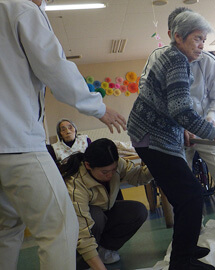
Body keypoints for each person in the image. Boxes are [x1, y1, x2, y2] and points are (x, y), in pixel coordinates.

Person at [0, 1, 126, 269]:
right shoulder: (21, 9)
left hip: (11, 143)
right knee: (60, 228)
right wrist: (98, 107)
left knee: (6, 229)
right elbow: (54, 67)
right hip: (17, 142)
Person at [128, 10, 215, 270]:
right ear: (178, 37)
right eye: (197, 38)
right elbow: (182, 110)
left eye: (204, 40)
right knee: (190, 195)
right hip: (151, 137)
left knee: (184, 195)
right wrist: (214, 132)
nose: (201, 45)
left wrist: (182, 126)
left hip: (149, 133)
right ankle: (181, 261)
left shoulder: (172, 57)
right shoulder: (176, 61)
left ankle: (185, 248)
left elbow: (165, 103)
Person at [61, 138, 152, 270]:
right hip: (79, 228)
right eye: (104, 172)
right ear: (88, 166)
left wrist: (158, 166)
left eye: (113, 170)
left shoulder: (117, 164)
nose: (110, 175)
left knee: (138, 211)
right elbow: (83, 232)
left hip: (104, 213)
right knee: (96, 216)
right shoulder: (75, 184)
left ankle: (105, 250)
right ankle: (84, 261)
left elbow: (137, 176)